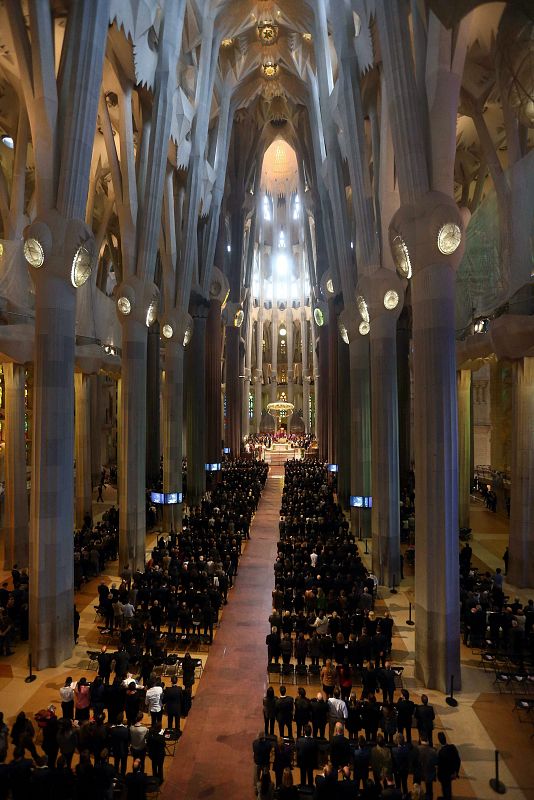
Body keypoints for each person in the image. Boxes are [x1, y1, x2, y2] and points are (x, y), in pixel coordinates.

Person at [437, 732, 461, 800]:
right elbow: (458, 760)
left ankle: (446, 797)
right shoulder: (452, 747)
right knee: (449, 786)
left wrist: (438, 775)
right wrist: (456, 772)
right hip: (452, 772)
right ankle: (449, 797)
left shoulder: (441, 752)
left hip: (444, 774)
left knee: (445, 788)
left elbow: (440, 766)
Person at [295, 724, 318, 788]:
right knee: (310, 774)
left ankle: (303, 785)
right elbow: (316, 751)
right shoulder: (314, 741)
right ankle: (310, 786)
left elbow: (297, 749)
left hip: (302, 762)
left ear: (304, 732)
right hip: (311, 762)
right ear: (311, 732)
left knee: (303, 774)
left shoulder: (299, 740)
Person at [109, 712, 130, 776]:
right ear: (122, 720)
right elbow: (128, 740)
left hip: (116, 750)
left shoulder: (112, 730)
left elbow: (111, 739)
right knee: (123, 764)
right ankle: (122, 776)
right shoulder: (126, 730)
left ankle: (116, 776)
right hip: (124, 750)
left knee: (116, 763)